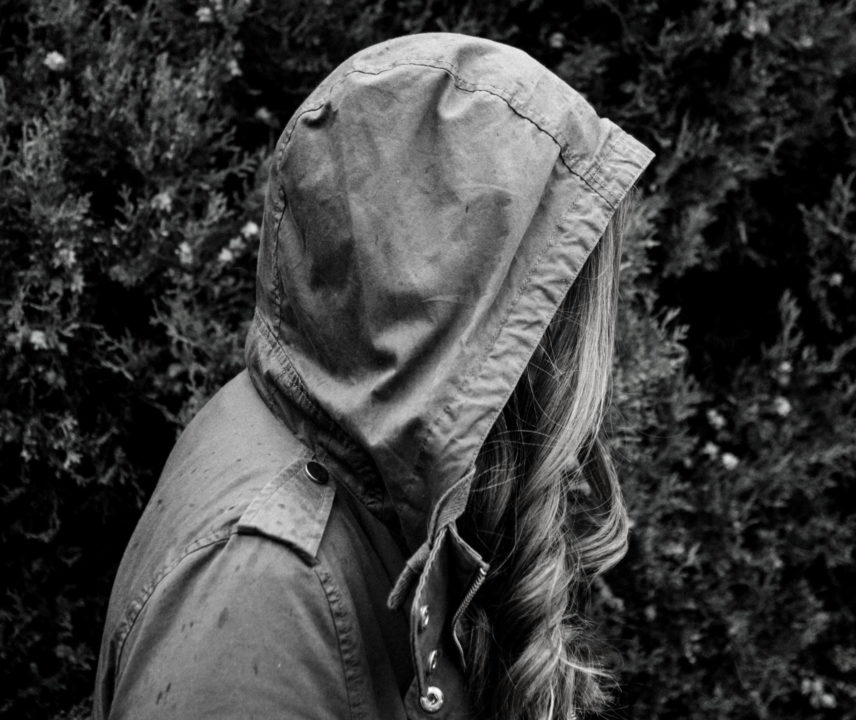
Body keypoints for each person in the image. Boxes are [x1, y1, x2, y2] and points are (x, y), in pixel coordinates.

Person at [94, 32, 653, 720]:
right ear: (467, 321)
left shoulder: (383, 473)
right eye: (547, 293)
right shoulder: (265, 590)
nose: (592, 349)